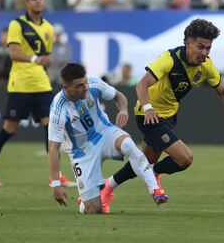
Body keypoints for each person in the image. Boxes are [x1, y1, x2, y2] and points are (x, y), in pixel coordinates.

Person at [101, 19, 224, 212]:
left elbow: (223, 93)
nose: (204, 53)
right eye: (200, 47)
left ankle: (106, 188)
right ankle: (153, 178)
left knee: (145, 162)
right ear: (187, 42)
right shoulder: (169, 59)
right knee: (185, 159)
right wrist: (148, 107)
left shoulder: (206, 66)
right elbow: (142, 85)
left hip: (169, 117)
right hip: (148, 115)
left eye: (208, 48)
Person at [0, 0, 74, 187]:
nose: (39, 1)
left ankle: (55, 176)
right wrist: (35, 58)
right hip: (20, 84)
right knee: (10, 129)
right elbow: (13, 52)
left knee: (51, 128)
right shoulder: (17, 24)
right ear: (27, 2)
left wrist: (45, 61)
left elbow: (44, 57)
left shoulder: (48, 28)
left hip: (41, 84)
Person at [48, 63, 168, 214]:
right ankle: (86, 201)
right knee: (94, 209)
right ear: (66, 88)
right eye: (79, 85)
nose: (85, 87)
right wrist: (56, 184)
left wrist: (123, 110)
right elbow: (53, 148)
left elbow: (120, 97)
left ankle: (155, 190)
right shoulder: (58, 109)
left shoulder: (93, 84)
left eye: (85, 82)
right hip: (82, 153)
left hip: (104, 132)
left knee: (128, 144)